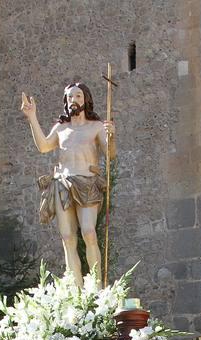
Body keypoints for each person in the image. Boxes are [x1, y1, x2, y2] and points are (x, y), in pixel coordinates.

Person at [21, 82, 116, 281]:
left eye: (78, 96)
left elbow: (110, 154)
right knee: (67, 238)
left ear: (86, 99)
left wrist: (111, 137)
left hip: (87, 182)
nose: (74, 100)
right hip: (62, 183)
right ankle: (77, 291)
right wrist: (32, 118)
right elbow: (44, 146)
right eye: (70, 97)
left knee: (89, 232)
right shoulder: (61, 128)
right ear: (66, 101)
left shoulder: (96, 127)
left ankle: (97, 287)